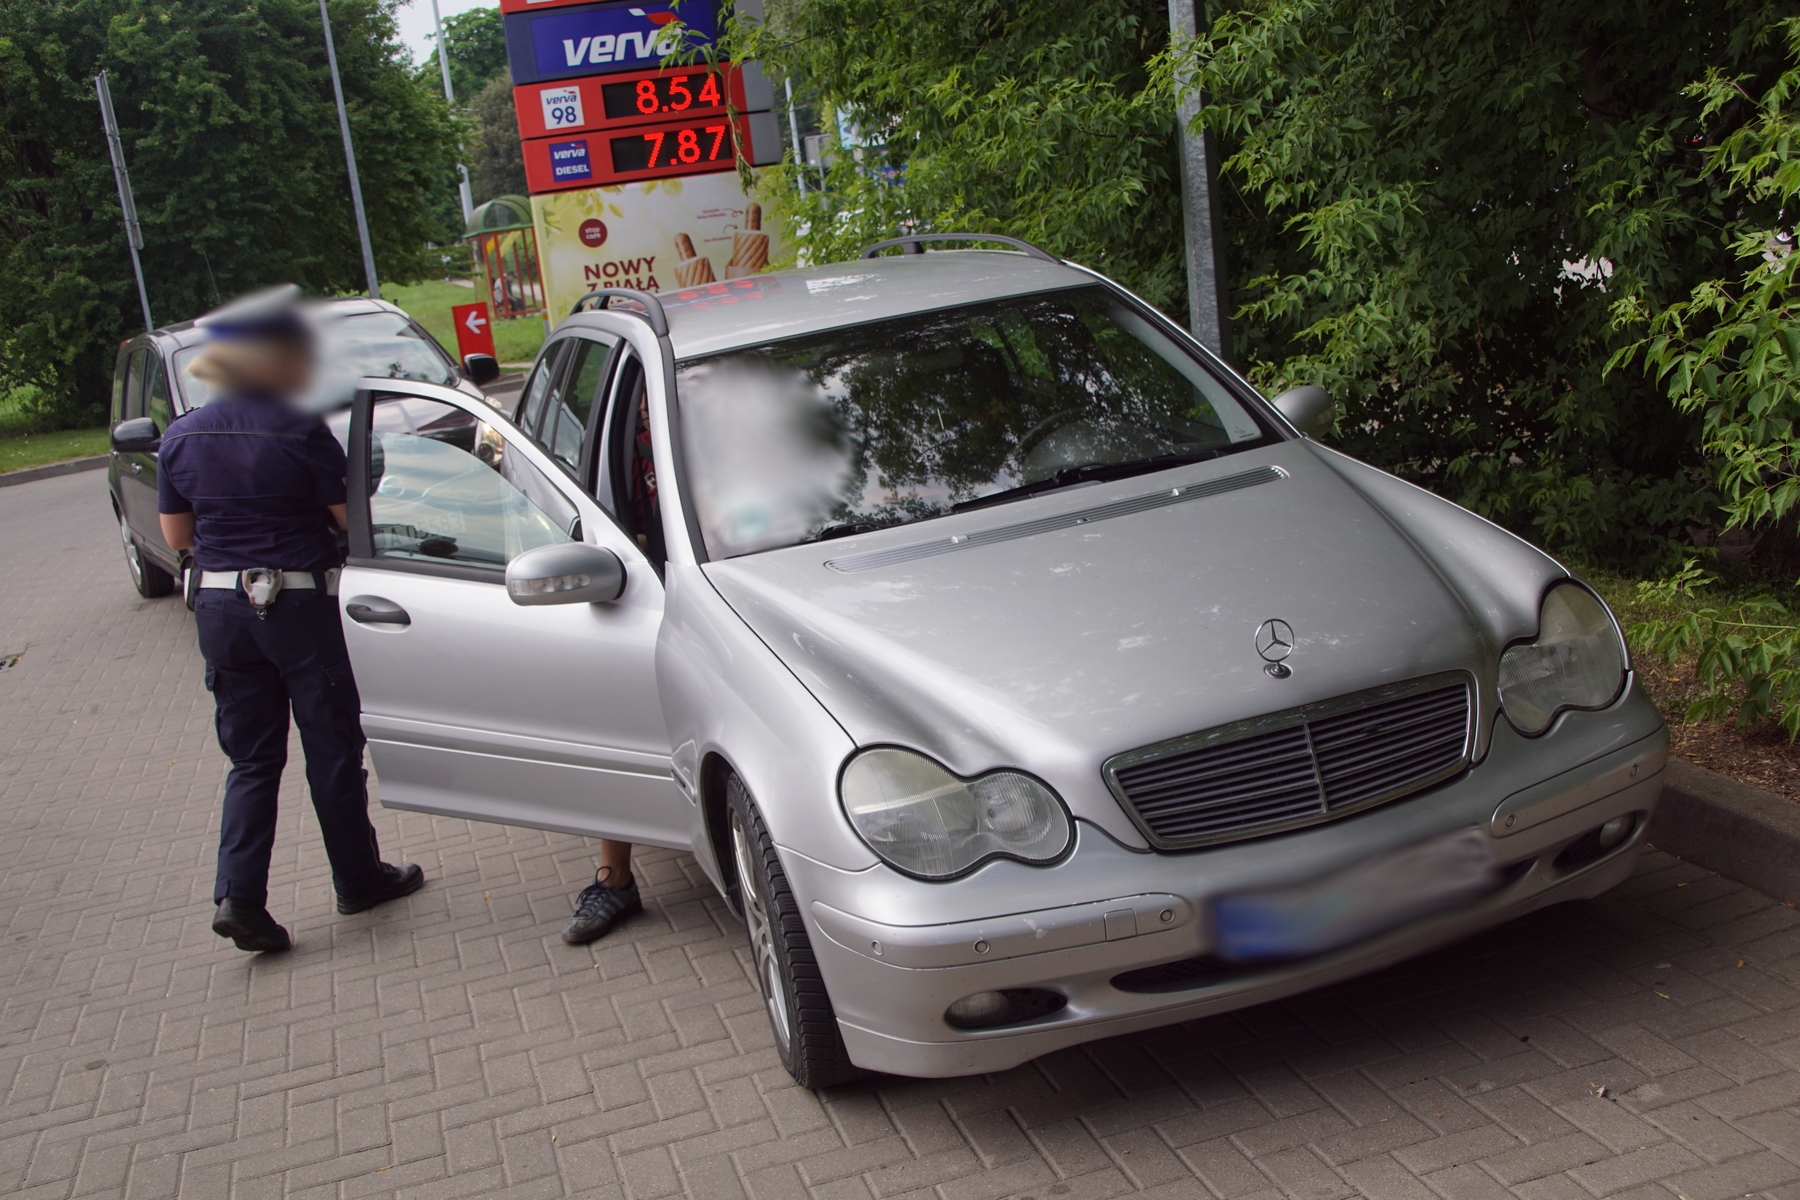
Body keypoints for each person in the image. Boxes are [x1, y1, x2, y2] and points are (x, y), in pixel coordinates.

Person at [157, 285, 424, 953]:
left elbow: (174, 535)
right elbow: (346, 521)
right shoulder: (299, 428)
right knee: (330, 749)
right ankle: (358, 879)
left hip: (222, 609)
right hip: (300, 603)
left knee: (251, 759)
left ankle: (238, 895)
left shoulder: (180, 437)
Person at [561, 384, 654, 946]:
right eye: (641, 398)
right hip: (639, 595)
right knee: (613, 719)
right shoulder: (623, 446)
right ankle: (613, 875)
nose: (648, 405)